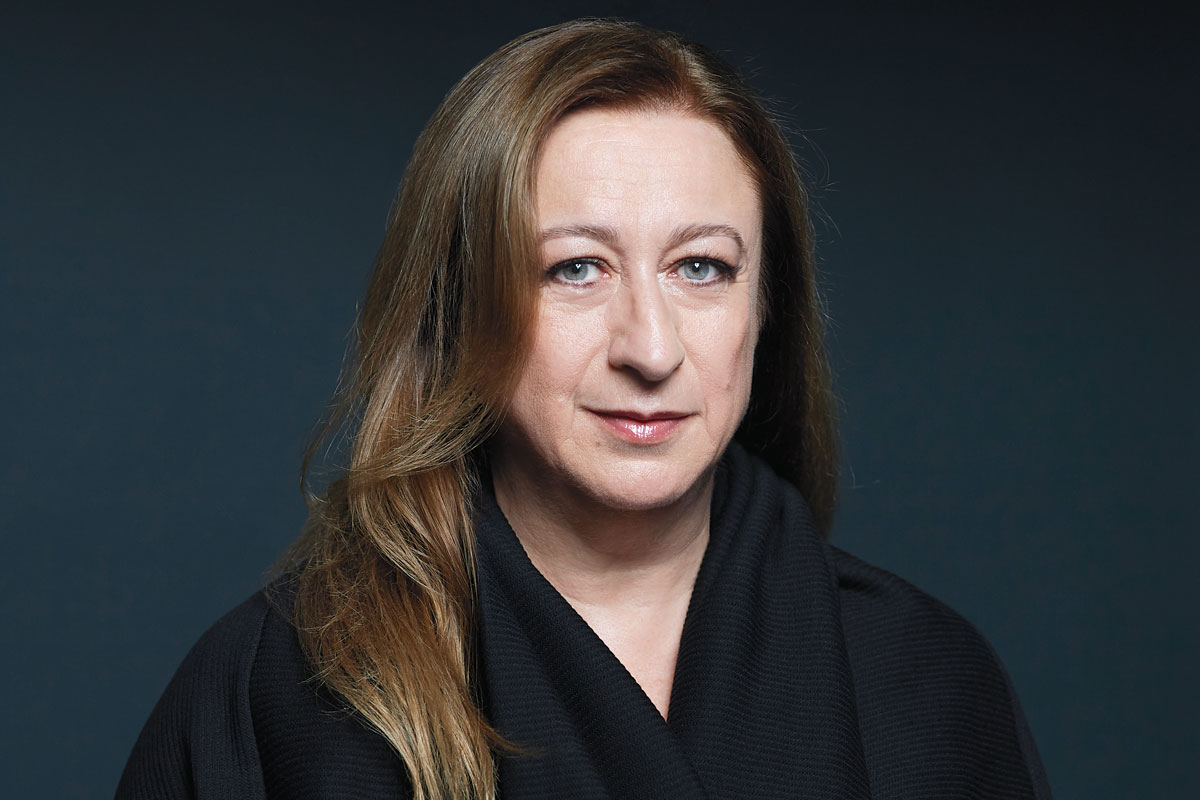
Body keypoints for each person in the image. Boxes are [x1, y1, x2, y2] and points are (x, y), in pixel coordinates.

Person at [117, 19, 1052, 800]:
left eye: (701, 267)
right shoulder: (278, 693)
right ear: (461, 306)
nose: (650, 348)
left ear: (766, 307)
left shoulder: (924, 681)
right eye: (575, 269)